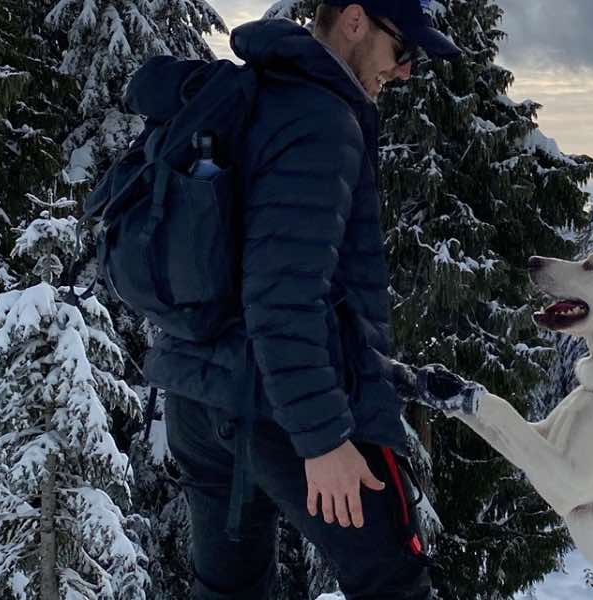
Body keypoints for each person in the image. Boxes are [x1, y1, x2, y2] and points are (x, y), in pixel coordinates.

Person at [125, 1, 462, 597]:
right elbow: (283, 297)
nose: (406, 70)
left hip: (199, 399)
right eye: (402, 49)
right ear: (355, 21)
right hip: (283, 407)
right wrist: (324, 438)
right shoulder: (320, 117)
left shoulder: (254, 93)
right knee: (396, 581)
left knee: (231, 590)